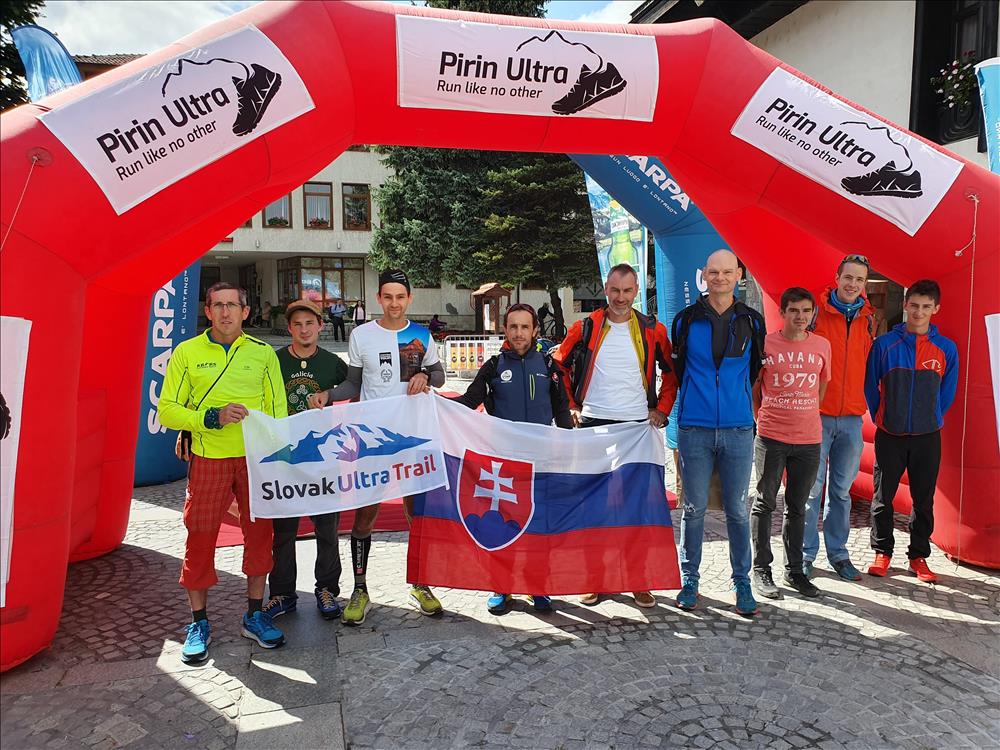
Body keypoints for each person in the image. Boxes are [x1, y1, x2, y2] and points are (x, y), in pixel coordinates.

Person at [307, 269, 446, 624]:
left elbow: (440, 375)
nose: (394, 304)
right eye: (388, 297)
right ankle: (360, 589)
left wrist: (425, 375)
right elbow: (353, 385)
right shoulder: (361, 335)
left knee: (416, 515)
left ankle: (421, 584)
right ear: (378, 298)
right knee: (365, 516)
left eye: (400, 297)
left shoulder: (421, 334)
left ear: (409, 299)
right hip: (372, 442)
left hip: (413, 439)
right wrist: (328, 395)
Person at [159, 282, 288, 663]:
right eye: (218, 305)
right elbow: (167, 410)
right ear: (208, 311)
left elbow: (278, 411)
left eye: (233, 305)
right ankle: (198, 622)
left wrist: (279, 457)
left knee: (260, 536)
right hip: (208, 458)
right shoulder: (187, 352)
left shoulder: (263, 353)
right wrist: (209, 418)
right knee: (200, 537)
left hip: (254, 460)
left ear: (246, 312)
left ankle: (254, 615)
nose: (226, 312)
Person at [553, 263, 677, 608]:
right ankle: (593, 577)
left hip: (637, 428)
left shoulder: (653, 329)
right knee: (593, 506)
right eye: (615, 291)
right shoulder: (585, 327)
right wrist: (571, 405)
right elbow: (558, 365)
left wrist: (662, 409)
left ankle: (638, 579)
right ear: (605, 289)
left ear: (637, 291)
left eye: (627, 291)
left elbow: (672, 373)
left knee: (636, 508)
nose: (620, 298)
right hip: (593, 426)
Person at [450, 303, 574, 614]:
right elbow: (469, 401)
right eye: (513, 327)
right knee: (502, 525)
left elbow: (561, 412)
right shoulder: (493, 366)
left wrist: (573, 448)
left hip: (540, 462)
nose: (519, 333)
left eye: (525, 327)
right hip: (503, 463)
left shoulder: (548, 366)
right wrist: (435, 404)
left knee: (538, 525)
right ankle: (501, 586)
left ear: (535, 330)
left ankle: (537, 585)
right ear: (505, 330)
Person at [671, 249, 765, 616]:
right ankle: (689, 579)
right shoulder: (685, 320)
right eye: (714, 272)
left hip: (738, 429)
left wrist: (735, 403)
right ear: (704, 275)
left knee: (737, 511)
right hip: (694, 427)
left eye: (727, 272)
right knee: (693, 508)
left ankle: (742, 581)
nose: (720, 278)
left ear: (739, 275)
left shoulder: (752, 321)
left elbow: (754, 371)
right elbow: (679, 371)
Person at [865, 280, 958, 583]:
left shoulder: (946, 349)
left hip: (927, 436)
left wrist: (930, 417)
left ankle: (918, 556)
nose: (919, 312)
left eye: (926, 306)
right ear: (905, 305)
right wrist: (882, 416)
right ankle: (882, 552)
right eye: (914, 305)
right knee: (883, 497)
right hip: (889, 434)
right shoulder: (884, 345)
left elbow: (947, 393)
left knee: (923, 499)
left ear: (936, 309)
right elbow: (870, 387)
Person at [262, 300, 349, 621]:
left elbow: (356, 387)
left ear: (320, 326)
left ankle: (327, 588)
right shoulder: (274, 361)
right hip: (285, 457)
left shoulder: (332, 363)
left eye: (310, 323)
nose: (304, 329)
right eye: (297, 324)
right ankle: (283, 592)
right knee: (283, 530)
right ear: (289, 328)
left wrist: (333, 395)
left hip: (322, 458)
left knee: (327, 528)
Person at [749, 288, 831, 600]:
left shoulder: (822, 345)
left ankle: (795, 570)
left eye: (806, 311)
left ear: (813, 314)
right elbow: (755, 386)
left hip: (809, 439)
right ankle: (761, 568)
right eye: (794, 310)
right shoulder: (766, 344)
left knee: (798, 506)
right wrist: (761, 418)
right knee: (765, 502)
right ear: (783, 312)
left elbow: (821, 386)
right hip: (772, 436)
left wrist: (805, 413)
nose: (800, 316)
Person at [802, 254, 877, 581]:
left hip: (851, 419)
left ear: (865, 284)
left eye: (859, 280)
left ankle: (839, 554)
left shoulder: (868, 319)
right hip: (816, 416)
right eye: (848, 277)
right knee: (810, 491)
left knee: (841, 492)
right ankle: (804, 555)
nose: (852, 284)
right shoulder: (816, 314)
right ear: (837, 277)